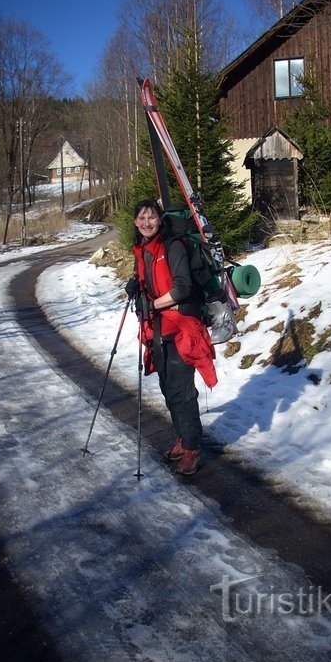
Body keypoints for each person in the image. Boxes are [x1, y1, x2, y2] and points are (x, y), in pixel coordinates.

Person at [126, 199, 217, 476]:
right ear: (135, 222)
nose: (146, 222)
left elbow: (182, 288)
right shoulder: (142, 249)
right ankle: (182, 438)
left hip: (182, 326)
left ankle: (191, 449)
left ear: (160, 219)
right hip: (159, 327)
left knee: (181, 391)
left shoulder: (173, 246)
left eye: (151, 217)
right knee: (168, 387)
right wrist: (135, 287)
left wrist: (151, 305)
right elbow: (150, 283)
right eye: (141, 218)